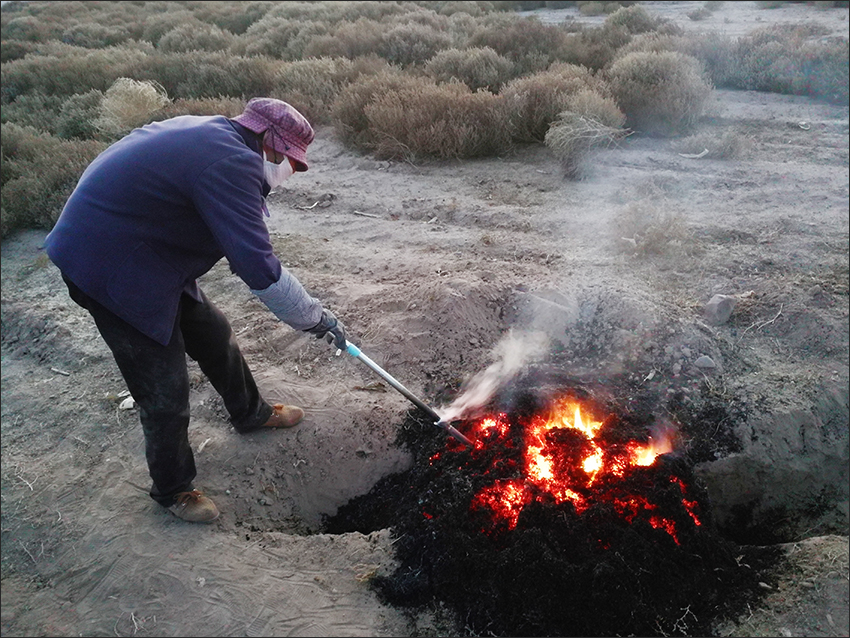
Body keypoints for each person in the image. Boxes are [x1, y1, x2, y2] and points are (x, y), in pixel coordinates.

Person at [43, 98, 346, 524]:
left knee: (213, 332)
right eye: (291, 162)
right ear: (269, 142)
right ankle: (173, 490)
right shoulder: (231, 164)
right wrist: (314, 318)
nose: (291, 172)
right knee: (164, 389)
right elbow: (257, 267)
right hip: (109, 266)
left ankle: (251, 412)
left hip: (149, 251)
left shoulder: (218, 135)